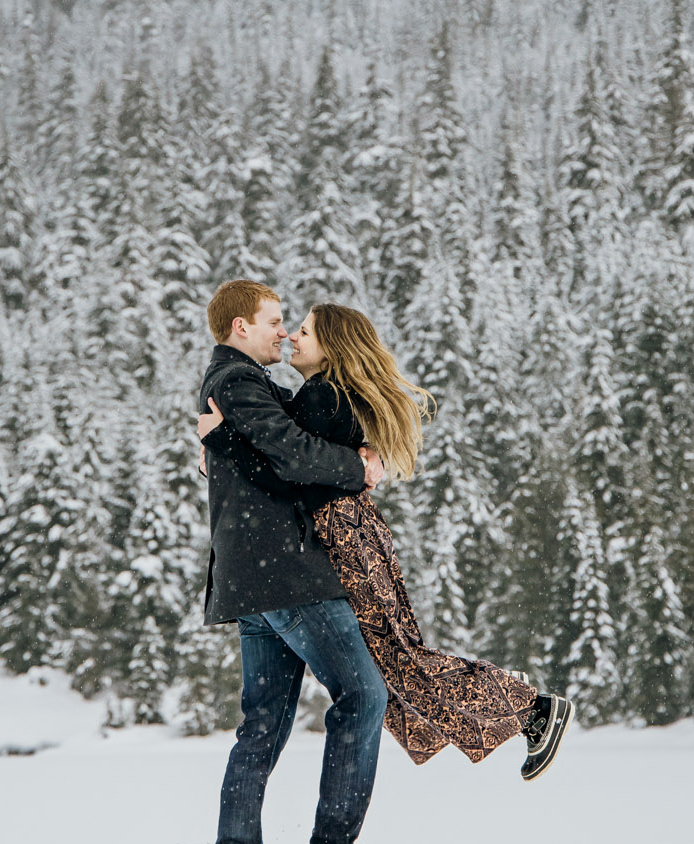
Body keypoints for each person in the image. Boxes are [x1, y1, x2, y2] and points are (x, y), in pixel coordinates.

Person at [200, 303, 572, 780]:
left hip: (344, 540)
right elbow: (283, 437)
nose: (293, 336)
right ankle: (501, 691)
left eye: (306, 332)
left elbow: (289, 467)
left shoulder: (322, 398)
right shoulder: (331, 395)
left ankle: (527, 705)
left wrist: (222, 441)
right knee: (390, 661)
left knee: (395, 660)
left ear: (332, 348)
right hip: (356, 535)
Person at [197, 280, 396, 844]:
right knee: (362, 695)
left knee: (263, 723)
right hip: (285, 572)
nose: (282, 332)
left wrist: (223, 441)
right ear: (241, 327)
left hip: (254, 577)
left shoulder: (244, 386)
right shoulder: (236, 380)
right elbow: (291, 454)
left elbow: (264, 450)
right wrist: (357, 470)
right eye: (274, 321)